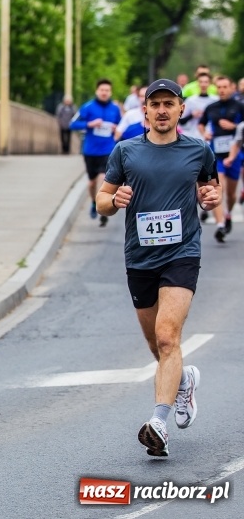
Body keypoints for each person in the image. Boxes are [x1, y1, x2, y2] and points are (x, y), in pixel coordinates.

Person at [97, 78, 221, 458]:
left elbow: (210, 189)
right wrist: (113, 200)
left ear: (181, 109)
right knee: (156, 345)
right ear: (145, 111)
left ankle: (159, 424)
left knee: (168, 337)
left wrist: (211, 198)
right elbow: (102, 199)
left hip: (182, 253)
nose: (163, 110)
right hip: (140, 257)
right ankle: (183, 379)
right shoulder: (126, 151)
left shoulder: (199, 150)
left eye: (170, 103)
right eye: (156, 104)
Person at [197, 75, 244, 242]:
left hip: (235, 153)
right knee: (219, 187)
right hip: (215, 153)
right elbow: (201, 123)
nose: (222, 90)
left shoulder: (239, 106)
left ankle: (228, 214)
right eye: (219, 87)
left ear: (232, 88)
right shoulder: (211, 107)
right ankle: (220, 225)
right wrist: (205, 133)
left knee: (231, 194)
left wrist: (234, 126)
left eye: (225, 87)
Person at [70, 78, 122, 227]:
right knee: (92, 182)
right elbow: (72, 124)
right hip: (90, 150)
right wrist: (90, 124)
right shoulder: (87, 107)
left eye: (107, 90)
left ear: (110, 92)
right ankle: (94, 201)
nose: (104, 93)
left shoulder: (115, 109)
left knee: (103, 177)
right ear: (97, 91)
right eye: (102, 90)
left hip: (108, 149)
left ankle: (103, 207)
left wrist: (115, 128)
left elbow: (121, 126)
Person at [179, 72, 218, 140]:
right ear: (197, 84)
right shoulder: (191, 100)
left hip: (211, 136)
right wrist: (192, 115)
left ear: (209, 84)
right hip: (194, 136)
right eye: (201, 82)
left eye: (206, 82)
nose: (203, 84)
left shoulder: (216, 100)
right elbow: (181, 121)